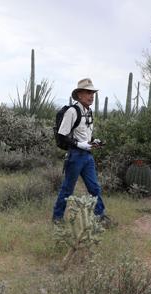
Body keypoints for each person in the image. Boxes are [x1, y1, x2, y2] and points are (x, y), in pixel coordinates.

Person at [52, 78, 110, 225]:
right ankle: (57, 218)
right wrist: (79, 144)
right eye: (88, 92)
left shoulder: (89, 112)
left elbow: (86, 136)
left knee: (94, 187)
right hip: (75, 156)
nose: (92, 96)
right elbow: (62, 135)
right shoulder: (72, 111)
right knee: (67, 189)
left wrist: (93, 141)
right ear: (79, 95)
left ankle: (100, 216)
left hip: (87, 156)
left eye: (92, 93)